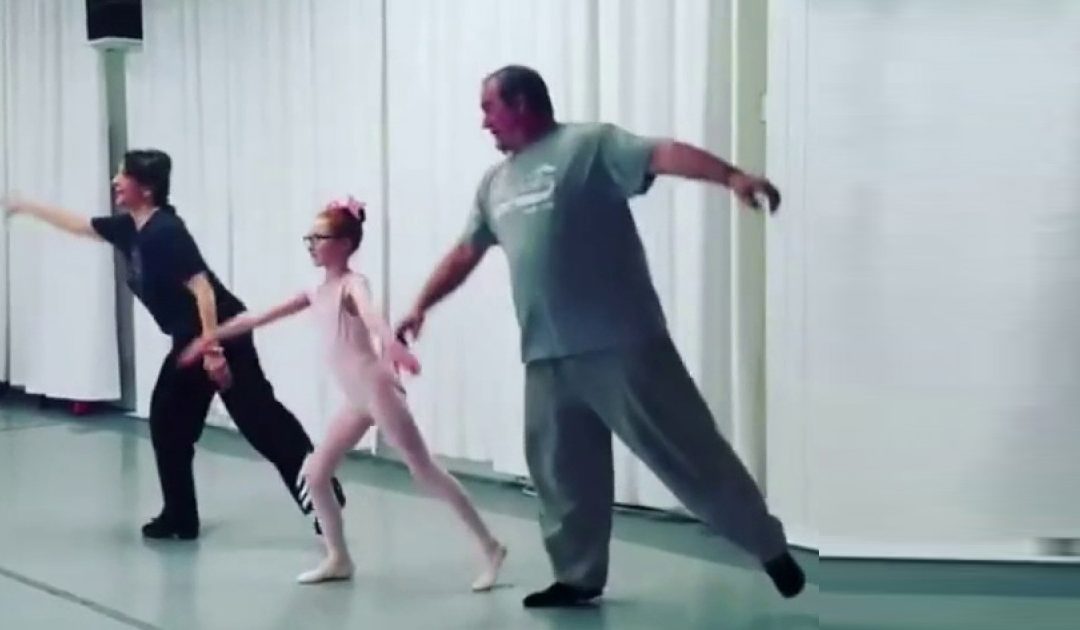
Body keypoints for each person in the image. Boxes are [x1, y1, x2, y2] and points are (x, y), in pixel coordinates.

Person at [394, 65, 806, 608]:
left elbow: (662, 154)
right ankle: (578, 575)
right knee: (561, 471)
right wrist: (422, 303)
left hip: (622, 342)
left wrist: (732, 177)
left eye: (488, 108)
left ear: (521, 103)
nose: (483, 122)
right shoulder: (495, 183)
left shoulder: (588, 146)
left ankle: (767, 545)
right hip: (545, 354)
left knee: (687, 451)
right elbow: (465, 251)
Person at [1, 149, 343, 540]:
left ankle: (322, 496)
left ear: (145, 189)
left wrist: (214, 351)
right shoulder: (131, 228)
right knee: (168, 421)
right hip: (189, 339)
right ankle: (180, 516)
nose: (116, 181)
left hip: (220, 332)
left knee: (260, 420)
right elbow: (79, 226)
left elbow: (203, 291)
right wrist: (26, 206)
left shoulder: (166, 232)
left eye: (123, 175)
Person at [179, 196, 507, 589]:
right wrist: (211, 335)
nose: (313, 245)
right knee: (315, 474)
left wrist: (393, 345)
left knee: (423, 469)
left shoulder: (353, 284)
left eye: (320, 237)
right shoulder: (315, 290)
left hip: (377, 388)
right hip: (356, 397)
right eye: (310, 238)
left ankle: (490, 547)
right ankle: (338, 557)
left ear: (345, 244)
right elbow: (257, 317)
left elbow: (372, 317)